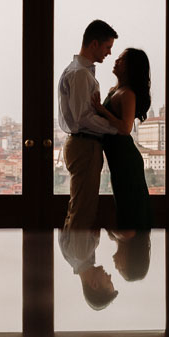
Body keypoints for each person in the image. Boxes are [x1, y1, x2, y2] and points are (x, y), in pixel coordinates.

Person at [57, 19, 117, 229]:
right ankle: (80, 260)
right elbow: (84, 117)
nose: (109, 53)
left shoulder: (76, 70)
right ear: (94, 44)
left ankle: (79, 259)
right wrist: (116, 128)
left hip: (81, 144)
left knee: (80, 207)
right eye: (107, 47)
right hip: (85, 144)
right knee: (83, 210)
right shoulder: (80, 74)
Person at [95, 47, 153, 230]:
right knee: (125, 208)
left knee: (130, 212)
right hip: (119, 159)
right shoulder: (116, 90)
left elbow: (126, 128)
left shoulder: (127, 93)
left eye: (121, 60)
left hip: (125, 160)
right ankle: (126, 255)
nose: (116, 61)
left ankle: (131, 254)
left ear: (130, 67)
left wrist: (102, 110)